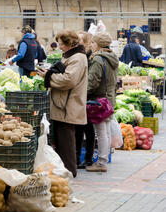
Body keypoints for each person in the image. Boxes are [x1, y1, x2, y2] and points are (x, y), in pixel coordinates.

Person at [36, 30, 88, 178]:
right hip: (64, 104)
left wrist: (48, 76)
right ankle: (64, 172)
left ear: (70, 43)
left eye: (62, 44)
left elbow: (68, 80)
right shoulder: (73, 56)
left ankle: (69, 173)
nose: (60, 47)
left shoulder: (77, 58)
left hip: (68, 105)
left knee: (66, 143)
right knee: (62, 141)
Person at [85, 32, 119, 173]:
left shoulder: (98, 59)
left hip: (99, 99)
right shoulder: (112, 57)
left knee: (101, 132)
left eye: (93, 42)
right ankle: (103, 160)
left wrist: (82, 94)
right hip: (109, 97)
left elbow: (92, 81)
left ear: (98, 44)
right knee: (105, 131)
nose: (91, 45)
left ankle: (101, 163)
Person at [75, 31, 95, 169]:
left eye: (80, 39)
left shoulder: (87, 57)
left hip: (86, 97)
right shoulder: (83, 55)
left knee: (86, 128)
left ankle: (86, 158)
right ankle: (83, 158)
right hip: (84, 96)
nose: (77, 41)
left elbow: (91, 79)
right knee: (84, 128)